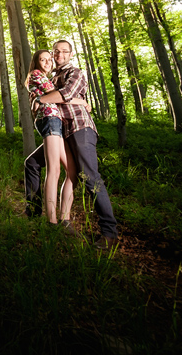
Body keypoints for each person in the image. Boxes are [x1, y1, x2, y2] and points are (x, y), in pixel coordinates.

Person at [34, 40, 120, 251]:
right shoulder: (51, 78)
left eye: (64, 51)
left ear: (71, 54)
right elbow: (45, 96)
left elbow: (65, 94)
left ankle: (109, 232)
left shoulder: (75, 72)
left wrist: (41, 99)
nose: (59, 55)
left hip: (80, 128)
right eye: (56, 51)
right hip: (60, 132)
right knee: (33, 163)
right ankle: (46, 217)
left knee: (90, 176)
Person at [27, 49, 84, 229]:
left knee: (72, 172)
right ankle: (51, 222)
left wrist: (39, 99)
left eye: (49, 60)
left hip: (56, 121)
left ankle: (65, 219)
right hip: (49, 119)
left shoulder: (47, 78)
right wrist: (82, 102)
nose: (47, 62)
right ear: (36, 62)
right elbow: (59, 95)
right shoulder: (36, 74)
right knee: (54, 170)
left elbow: (52, 95)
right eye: (42, 60)